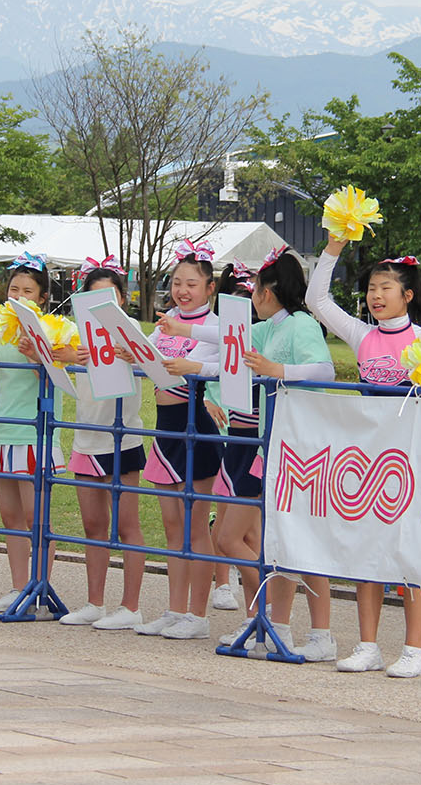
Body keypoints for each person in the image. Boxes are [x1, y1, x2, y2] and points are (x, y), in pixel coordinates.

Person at [189, 248, 338, 659]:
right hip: (270, 443)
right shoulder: (268, 328)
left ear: (267, 292)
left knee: (294, 542)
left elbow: (325, 370)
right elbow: (228, 344)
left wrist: (278, 370)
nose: (253, 296)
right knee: (277, 543)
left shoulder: (301, 324)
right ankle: (275, 622)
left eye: (255, 289)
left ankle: (317, 634)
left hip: (300, 447)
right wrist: (182, 334)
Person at [306, 231, 421, 678]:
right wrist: (333, 248)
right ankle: (368, 646)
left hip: (413, 462)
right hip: (369, 461)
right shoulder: (362, 335)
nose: (376, 296)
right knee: (368, 553)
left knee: (412, 554)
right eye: (371, 288)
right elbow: (317, 301)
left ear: (408, 295)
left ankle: (414, 649)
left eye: (386, 288)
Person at [44, 260, 151, 630]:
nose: (103, 304)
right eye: (94, 297)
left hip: (122, 438)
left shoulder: (131, 329)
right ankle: (94, 602)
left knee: (127, 525)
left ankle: (130, 606)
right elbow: (50, 354)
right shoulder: (76, 332)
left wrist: (132, 354)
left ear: (122, 298)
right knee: (93, 524)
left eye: (110, 296)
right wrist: (65, 355)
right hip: (85, 437)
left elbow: (149, 362)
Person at [137, 240, 223, 641]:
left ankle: (198, 614)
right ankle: (175, 610)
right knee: (172, 526)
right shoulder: (166, 320)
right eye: (176, 283)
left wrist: (193, 366)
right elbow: (148, 357)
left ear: (209, 288)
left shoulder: (216, 326)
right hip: (164, 429)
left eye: (191, 284)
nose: (182, 291)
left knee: (195, 528)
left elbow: (221, 363)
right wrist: (130, 354)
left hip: (194, 429)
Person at [0, 254, 62, 613]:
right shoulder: (1, 329)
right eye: (14, 289)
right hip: (3, 432)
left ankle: (39, 588)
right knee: (10, 518)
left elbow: (55, 378)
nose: (20, 296)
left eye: (28, 291)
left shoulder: (51, 328)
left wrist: (37, 353)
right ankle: (17, 587)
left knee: (36, 518)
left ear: (42, 297)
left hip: (34, 434)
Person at [206, 260, 256, 613]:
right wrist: (205, 401)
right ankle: (222, 581)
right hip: (220, 426)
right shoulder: (215, 334)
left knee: (245, 518)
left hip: (248, 429)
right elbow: (196, 372)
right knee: (224, 510)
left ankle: (246, 580)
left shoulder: (260, 337)